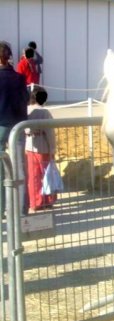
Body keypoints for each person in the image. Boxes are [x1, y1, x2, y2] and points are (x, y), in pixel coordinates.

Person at [0, 41, 28, 216]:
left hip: (1, 125)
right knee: (19, 167)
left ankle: (2, 207)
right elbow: (24, 99)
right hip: (18, 125)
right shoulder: (19, 78)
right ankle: (20, 208)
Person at [25, 86, 57, 212]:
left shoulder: (26, 110)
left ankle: (34, 202)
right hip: (43, 146)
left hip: (29, 145)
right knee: (47, 174)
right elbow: (50, 132)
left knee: (33, 176)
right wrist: (53, 148)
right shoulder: (44, 112)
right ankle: (48, 200)